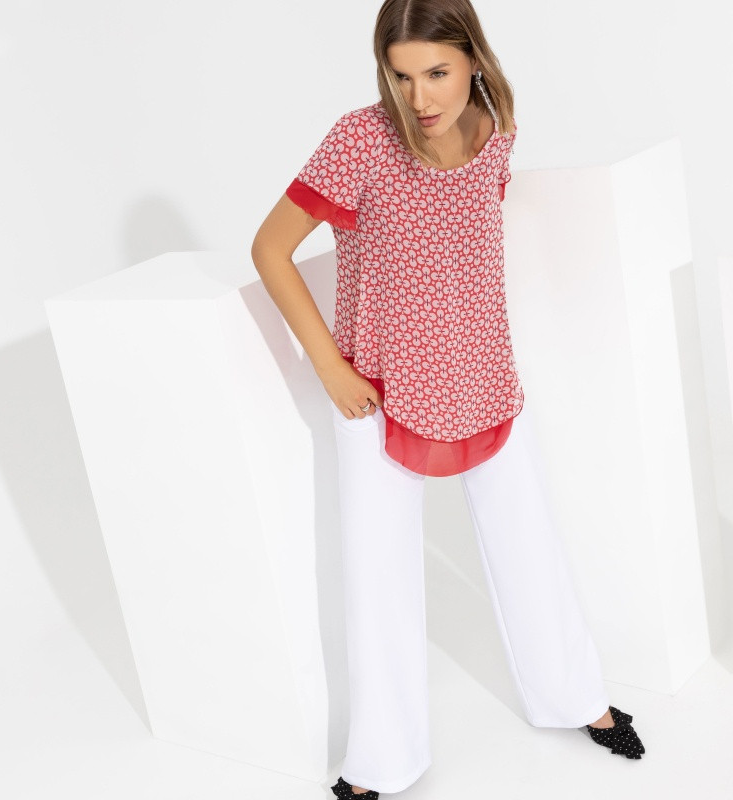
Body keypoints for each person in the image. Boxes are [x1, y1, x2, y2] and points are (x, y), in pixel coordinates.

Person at [250, 0, 645, 796]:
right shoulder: (360, 141)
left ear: (473, 59)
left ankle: (578, 699)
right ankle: (379, 762)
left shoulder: (496, 132)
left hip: (485, 377)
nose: (420, 97)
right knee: (380, 579)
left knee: (530, 547)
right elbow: (270, 248)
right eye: (401, 77)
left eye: (436, 72)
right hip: (379, 392)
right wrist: (330, 368)